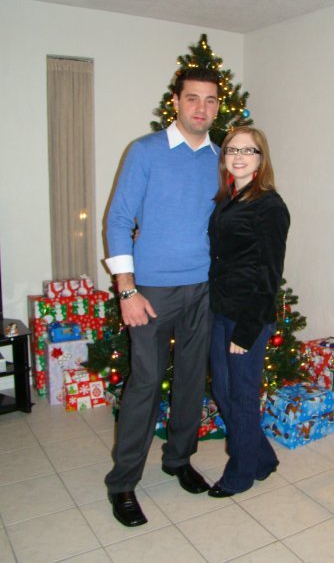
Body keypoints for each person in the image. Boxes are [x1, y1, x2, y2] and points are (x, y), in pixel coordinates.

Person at [104, 67, 220, 527]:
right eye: (193, 98)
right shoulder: (145, 151)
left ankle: (178, 459)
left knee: (192, 379)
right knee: (146, 385)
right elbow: (118, 220)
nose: (201, 108)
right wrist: (127, 289)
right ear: (175, 101)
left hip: (203, 288)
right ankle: (123, 483)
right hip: (150, 290)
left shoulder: (220, 158)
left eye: (210, 100)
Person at [207, 126, 290, 497]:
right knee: (222, 391)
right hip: (219, 310)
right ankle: (263, 458)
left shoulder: (270, 206)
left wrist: (246, 330)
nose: (238, 156)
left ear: (261, 158)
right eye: (232, 149)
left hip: (247, 317)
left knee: (241, 395)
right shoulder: (228, 198)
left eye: (248, 150)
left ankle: (240, 474)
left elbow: (270, 275)